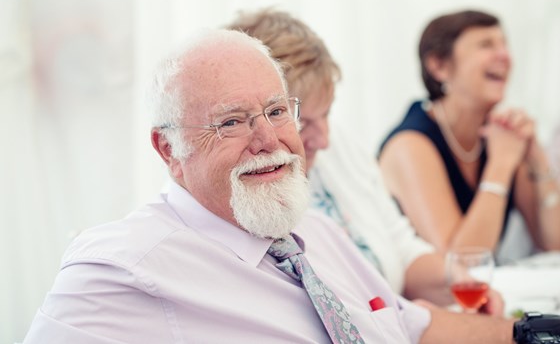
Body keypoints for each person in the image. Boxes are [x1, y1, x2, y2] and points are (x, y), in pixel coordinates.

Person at [23, 29, 515, 343]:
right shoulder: (122, 266)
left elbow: (410, 326)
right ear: (168, 149)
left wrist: (528, 332)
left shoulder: (316, 233)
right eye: (231, 123)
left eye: (278, 112)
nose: (269, 140)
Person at [224, 9, 456, 306]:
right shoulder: (252, 194)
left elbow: (400, 247)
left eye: (326, 113)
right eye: (301, 122)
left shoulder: (340, 149)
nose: (324, 139)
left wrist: (460, 279)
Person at [378, 10, 560, 257]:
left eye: (504, 44)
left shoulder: (499, 136)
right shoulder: (409, 144)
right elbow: (460, 262)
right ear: (439, 66)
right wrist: (501, 164)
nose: (505, 56)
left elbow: (553, 242)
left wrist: (537, 159)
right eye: (486, 45)